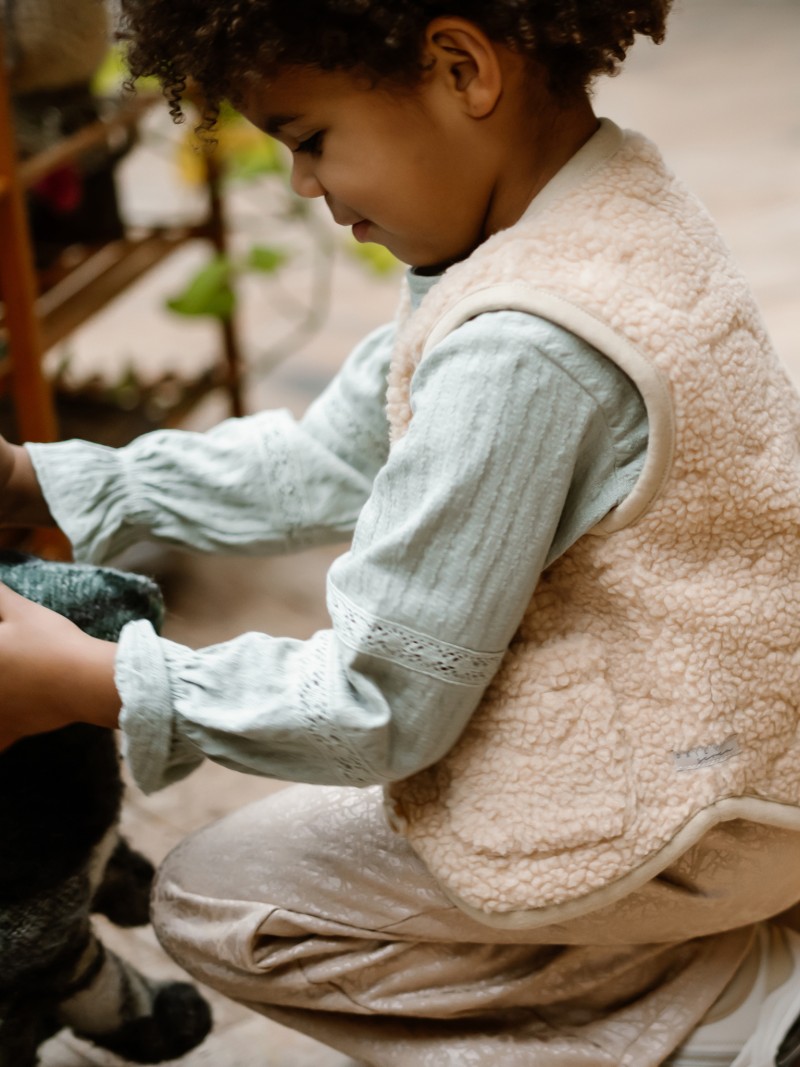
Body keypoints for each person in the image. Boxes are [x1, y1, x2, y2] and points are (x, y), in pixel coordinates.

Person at [2, 1, 800, 1063]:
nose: (303, 184)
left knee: (217, 900)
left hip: (689, 817)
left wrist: (83, 676)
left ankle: (723, 1008)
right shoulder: (592, 205)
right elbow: (331, 459)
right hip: (736, 751)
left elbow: (379, 705)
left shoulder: (522, 345)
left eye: (309, 139)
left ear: (460, 67)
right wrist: (43, 480)